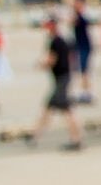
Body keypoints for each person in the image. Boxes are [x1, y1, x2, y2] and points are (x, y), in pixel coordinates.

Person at [22, 16, 84, 149]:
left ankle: (76, 138)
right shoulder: (63, 40)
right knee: (48, 109)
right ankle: (35, 135)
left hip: (61, 79)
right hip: (62, 78)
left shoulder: (56, 42)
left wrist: (41, 65)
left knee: (66, 111)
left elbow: (51, 60)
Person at [69, 0, 96, 104]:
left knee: (84, 71)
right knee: (82, 71)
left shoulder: (82, 17)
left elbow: (72, 21)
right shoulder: (79, 16)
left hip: (83, 46)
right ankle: (84, 92)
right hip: (80, 46)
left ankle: (87, 93)